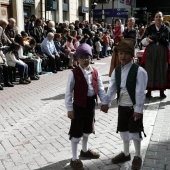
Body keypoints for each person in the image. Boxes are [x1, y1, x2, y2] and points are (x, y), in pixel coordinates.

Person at [101, 39, 148, 170]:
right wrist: (106, 102)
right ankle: (126, 154)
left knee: (135, 131)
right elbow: (112, 88)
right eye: (120, 53)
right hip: (122, 106)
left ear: (132, 55)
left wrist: (138, 109)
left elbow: (140, 92)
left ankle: (137, 156)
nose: (122, 56)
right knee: (124, 130)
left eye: (126, 53)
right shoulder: (117, 70)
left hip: (134, 107)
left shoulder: (139, 71)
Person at [65, 43, 106, 170]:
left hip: (90, 104)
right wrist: (69, 109)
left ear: (91, 57)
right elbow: (68, 92)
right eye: (82, 57)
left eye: (87, 57)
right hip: (78, 105)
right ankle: (74, 158)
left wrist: (104, 102)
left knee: (88, 128)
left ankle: (85, 150)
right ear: (77, 59)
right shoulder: (74, 73)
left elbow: (100, 88)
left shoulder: (95, 72)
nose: (85, 60)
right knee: (76, 131)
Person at [141, 11, 170, 98]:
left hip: (162, 52)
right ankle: (149, 91)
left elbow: (168, 42)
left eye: (160, 17)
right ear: (154, 18)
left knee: (162, 70)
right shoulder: (149, 29)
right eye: (156, 16)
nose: (158, 18)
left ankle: (162, 91)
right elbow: (142, 41)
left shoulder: (166, 29)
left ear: (162, 19)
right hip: (151, 52)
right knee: (150, 70)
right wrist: (146, 40)